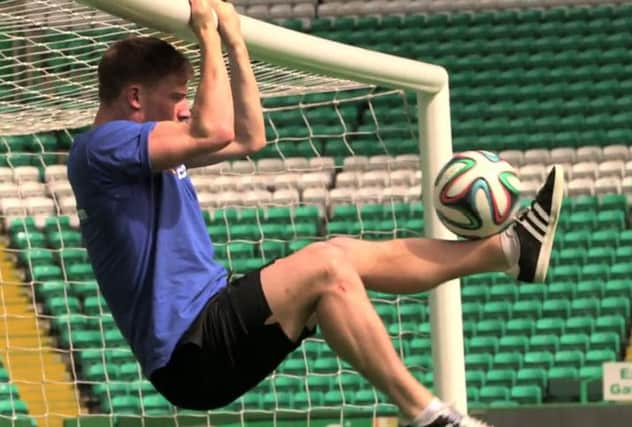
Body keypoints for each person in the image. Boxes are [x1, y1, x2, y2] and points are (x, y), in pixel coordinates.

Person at [67, 1, 565, 426]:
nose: (183, 108)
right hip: (188, 348)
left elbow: (248, 136)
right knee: (327, 267)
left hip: (205, 334)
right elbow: (213, 129)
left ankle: (506, 250)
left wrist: (237, 46)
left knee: (340, 256)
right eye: (176, 98)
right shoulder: (101, 148)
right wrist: (208, 40)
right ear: (134, 97)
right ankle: (429, 415)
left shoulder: (137, 147)